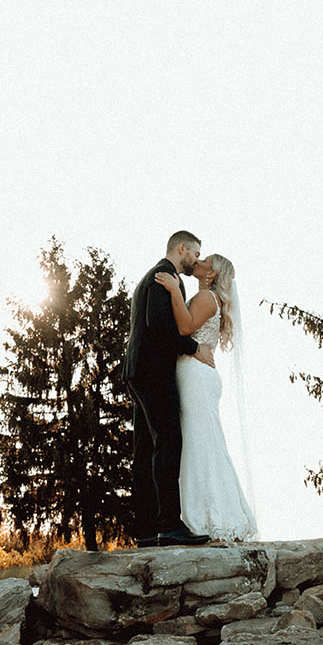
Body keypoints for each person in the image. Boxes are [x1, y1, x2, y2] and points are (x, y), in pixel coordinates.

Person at [153, 252, 258, 542]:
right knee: (204, 442)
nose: (197, 264)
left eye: (204, 262)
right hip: (199, 374)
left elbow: (185, 327)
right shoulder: (209, 299)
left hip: (196, 376)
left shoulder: (206, 298)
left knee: (200, 443)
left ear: (211, 275)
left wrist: (174, 291)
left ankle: (204, 518)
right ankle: (211, 514)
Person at [124, 231, 214, 547]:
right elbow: (159, 326)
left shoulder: (153, 276)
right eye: (195, 252)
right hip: (153, 371)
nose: (196, 259)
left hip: (138, 370)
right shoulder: (165, 276)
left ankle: (147, 529)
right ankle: (169, 526)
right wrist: (192, 347)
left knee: (146, 449)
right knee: (168, 441)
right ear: (181, 248)